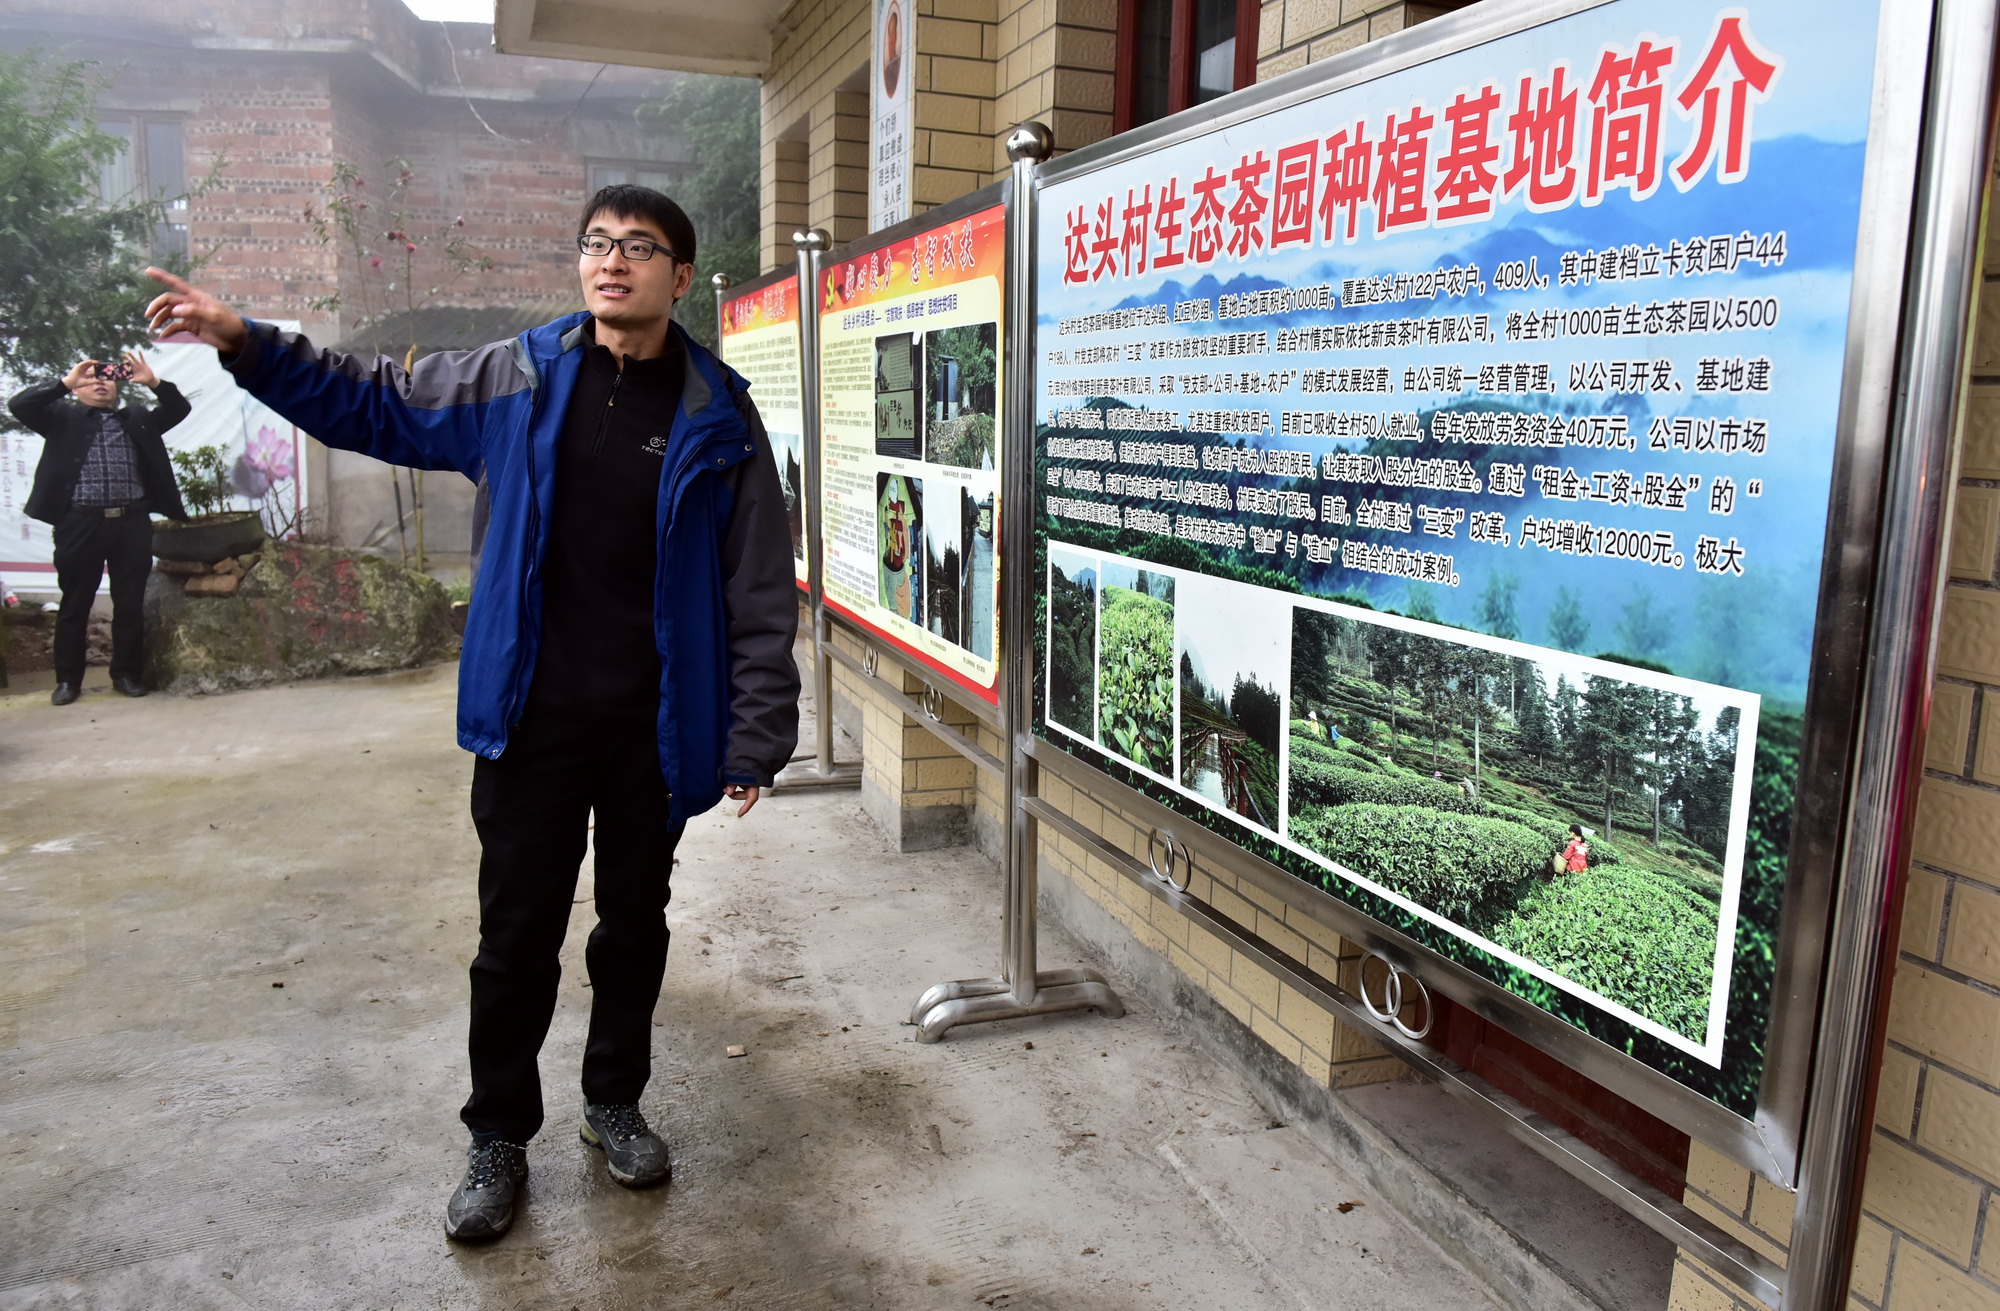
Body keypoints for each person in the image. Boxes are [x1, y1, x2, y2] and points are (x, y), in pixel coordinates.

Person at [142, 184, 801, 1242]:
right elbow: (372, 404)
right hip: (531, 719)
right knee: (515, 938)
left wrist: (757, 732)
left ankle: (612, 1105)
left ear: (680, 276)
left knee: (633, 928)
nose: (611, 262)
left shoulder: (715, 412)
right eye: (596, 245)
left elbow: (756, 583)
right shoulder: (517, 379)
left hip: (656, 725)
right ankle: (497, 1136)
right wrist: (245, 343)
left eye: (638, 247)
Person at [8, 353, 189, 705]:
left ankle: (126, 674)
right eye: (90, 379)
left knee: (130, 604)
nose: (99, 382)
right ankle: (68, 681)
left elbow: (178, 409)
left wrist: (153, 382)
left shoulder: (136, 419)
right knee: (75, 604)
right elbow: (20, 404)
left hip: (131, 523)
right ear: (78, 389)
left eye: (106, 377)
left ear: (118, 384)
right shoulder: (60, 417)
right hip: (79, 523)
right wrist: (64, 383)